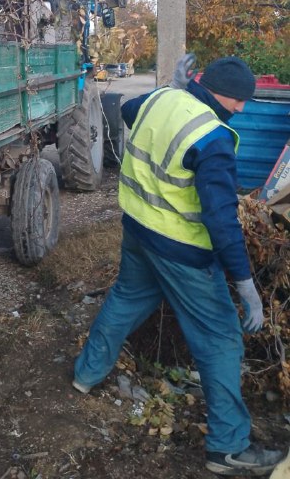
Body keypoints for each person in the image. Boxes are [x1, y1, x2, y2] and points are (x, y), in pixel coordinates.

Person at [72, 56, 285, 477]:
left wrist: (173, 89)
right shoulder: (213, 138)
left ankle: (85, 374)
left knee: (126, 300)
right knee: (221, 338)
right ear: (219, 93)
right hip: (182, 252)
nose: (242, 109)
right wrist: (245, 286)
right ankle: (227, 449)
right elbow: (222, 221)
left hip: (138, 230)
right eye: (239, 100)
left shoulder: (159, 99)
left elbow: (133, 112)